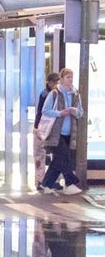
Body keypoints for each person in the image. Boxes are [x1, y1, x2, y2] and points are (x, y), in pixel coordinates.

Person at [39, 67, 85, 195]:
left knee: (58, 160)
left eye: (71, 77)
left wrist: (75, 111)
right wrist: (60, 113)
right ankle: (70, 183)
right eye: (67, 77)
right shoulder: (54, 93)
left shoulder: (75, 94)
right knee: (64, 158)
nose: (70, 79)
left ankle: (46, 184)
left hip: (69, 133)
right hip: (55, 132)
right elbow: (45, 110)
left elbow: (80, 112)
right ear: (61, 79)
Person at [34, 72, 60, 191]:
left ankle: (43, 180)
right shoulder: (48, 94)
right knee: (41, 154)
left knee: (44, 154)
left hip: (44, 127)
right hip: (43, 128)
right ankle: (41, 180)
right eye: (55, 82)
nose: (56, 84)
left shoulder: (48, 93)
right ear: (49, 82)